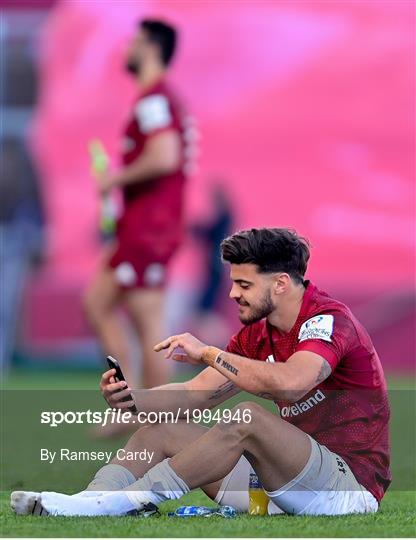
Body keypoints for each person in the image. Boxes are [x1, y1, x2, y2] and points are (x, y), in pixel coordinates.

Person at [11, 228, 391, 517]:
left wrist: (209, 352)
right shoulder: (257, 333)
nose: (232, 295)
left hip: (346, 490)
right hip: (283, 486)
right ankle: (88, 503)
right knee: (159, 430)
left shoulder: (326, 320)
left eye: (244, 284)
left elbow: (292, 384)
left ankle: (120, 502)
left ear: (280, 283)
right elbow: (196, 395)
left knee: (249, 418)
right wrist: (130, 400)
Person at [83, 19, 191, 390]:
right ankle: (128, 397)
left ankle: (157, 417)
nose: (127, 48)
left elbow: (165, 156)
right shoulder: (155, 101)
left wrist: (113, 179)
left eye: (134, 42)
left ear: (151, 48)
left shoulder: (155, 100)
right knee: (97, 302)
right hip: (140, 229)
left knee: (150, 327)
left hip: (150, 232)